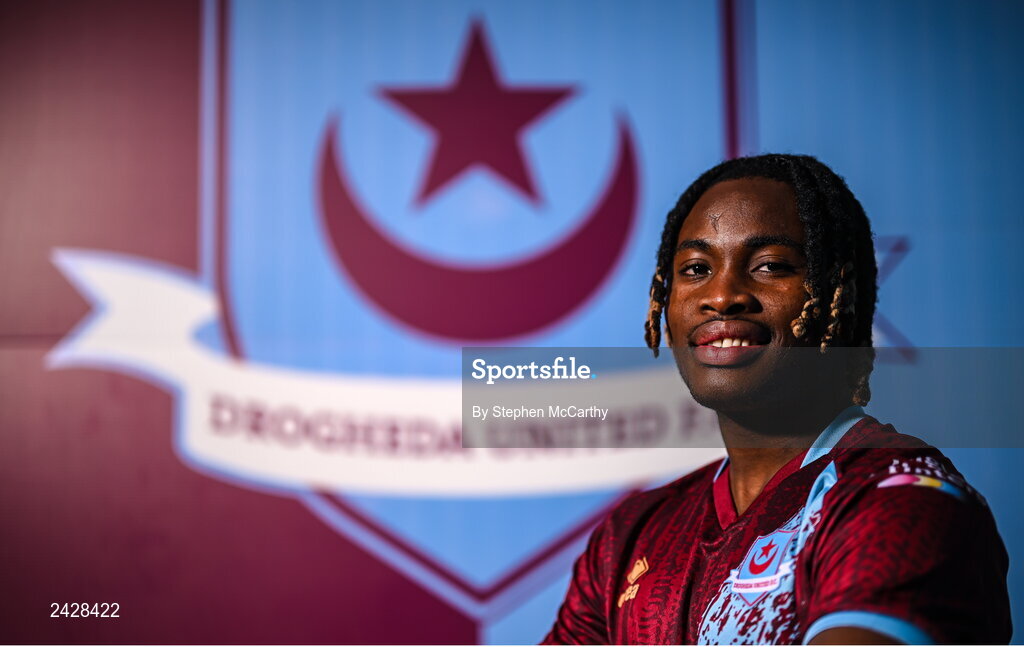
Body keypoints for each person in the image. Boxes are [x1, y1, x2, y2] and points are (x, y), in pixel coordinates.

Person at [542, 155, 1011, 644]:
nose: (722, 296)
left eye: (770, 266)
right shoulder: (631, 535)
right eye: (696, 268)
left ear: (838, 295)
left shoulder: (901, 500)